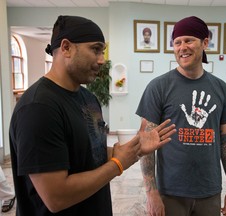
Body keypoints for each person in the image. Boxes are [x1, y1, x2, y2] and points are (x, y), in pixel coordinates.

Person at [9, 15, 176, 216]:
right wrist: (117, 164)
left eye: (103, 51)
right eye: (95, 49)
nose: (102, 60)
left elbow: (88, 154)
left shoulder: (88, 98)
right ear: (66, 47)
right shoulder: (38, 108)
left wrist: (134, 149)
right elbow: (56, 196)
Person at [136, 16, 226, 216]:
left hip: (209, 191)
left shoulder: (221, 88)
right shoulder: (158, 87)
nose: (182, 47)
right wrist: (151, 193)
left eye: (189, 40)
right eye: (177, 42)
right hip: (171, 192)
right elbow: (146, 144)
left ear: (205, 43)